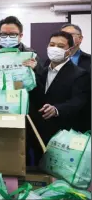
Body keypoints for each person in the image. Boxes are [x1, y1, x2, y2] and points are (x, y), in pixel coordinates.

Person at [24, 31, 90, 163]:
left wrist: (57, 109)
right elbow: (37, 95)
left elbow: (78, 101)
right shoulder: (41, 70)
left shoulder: (79, 74)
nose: (55, 49)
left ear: (70, 51)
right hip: (38, 132)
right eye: (52, 44)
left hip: (62, 135)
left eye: (60, 46)